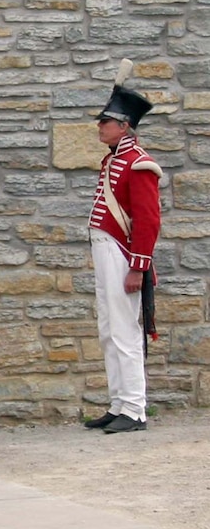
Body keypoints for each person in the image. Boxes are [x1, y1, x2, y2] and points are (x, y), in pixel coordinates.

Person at [85, 61, 162, 434]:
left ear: (124, 125)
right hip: (106, 248)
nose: (100, 126)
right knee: (108, 328)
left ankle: (134, 408)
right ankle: (118, 403)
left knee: (125, 332)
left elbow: (148, 221)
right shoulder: (115, 158)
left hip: (122, 252)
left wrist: (138, 266)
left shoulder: (139, 163)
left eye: (106, 121)